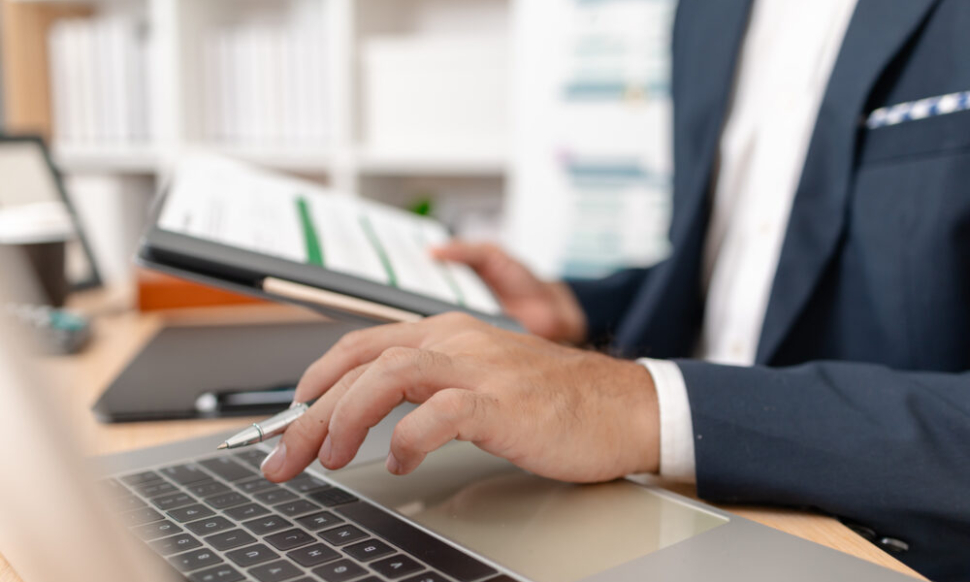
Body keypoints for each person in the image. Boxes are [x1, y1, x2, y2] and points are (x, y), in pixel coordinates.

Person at [261, 1, 970, 580]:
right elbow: (741, 273)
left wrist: (630, 404)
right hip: (665, 502)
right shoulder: (707, 15)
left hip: (872, 538)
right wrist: (574, 312)